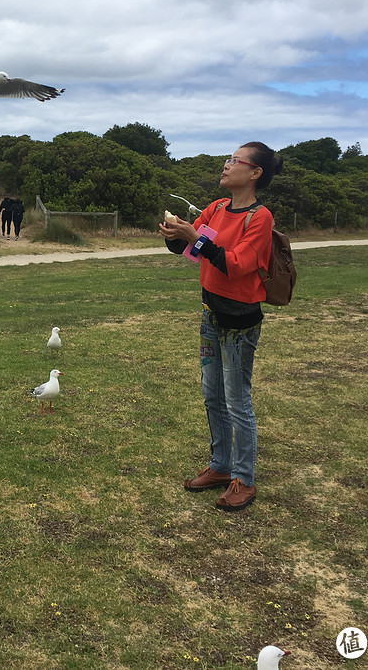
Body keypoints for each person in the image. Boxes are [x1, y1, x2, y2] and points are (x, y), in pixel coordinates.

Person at [158, 142, 283, 512]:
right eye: (227, 159)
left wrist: (190, 235)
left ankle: (243, 478)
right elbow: (192, 250)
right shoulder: (214, 209)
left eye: (234, 161)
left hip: (240, 323)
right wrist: (174, 236)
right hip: (210, 315)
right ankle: (220, 467)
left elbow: (238, 264)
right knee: (212, 395)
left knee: (237, 399)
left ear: (255, 173)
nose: (226, 165)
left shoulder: (259, 217)